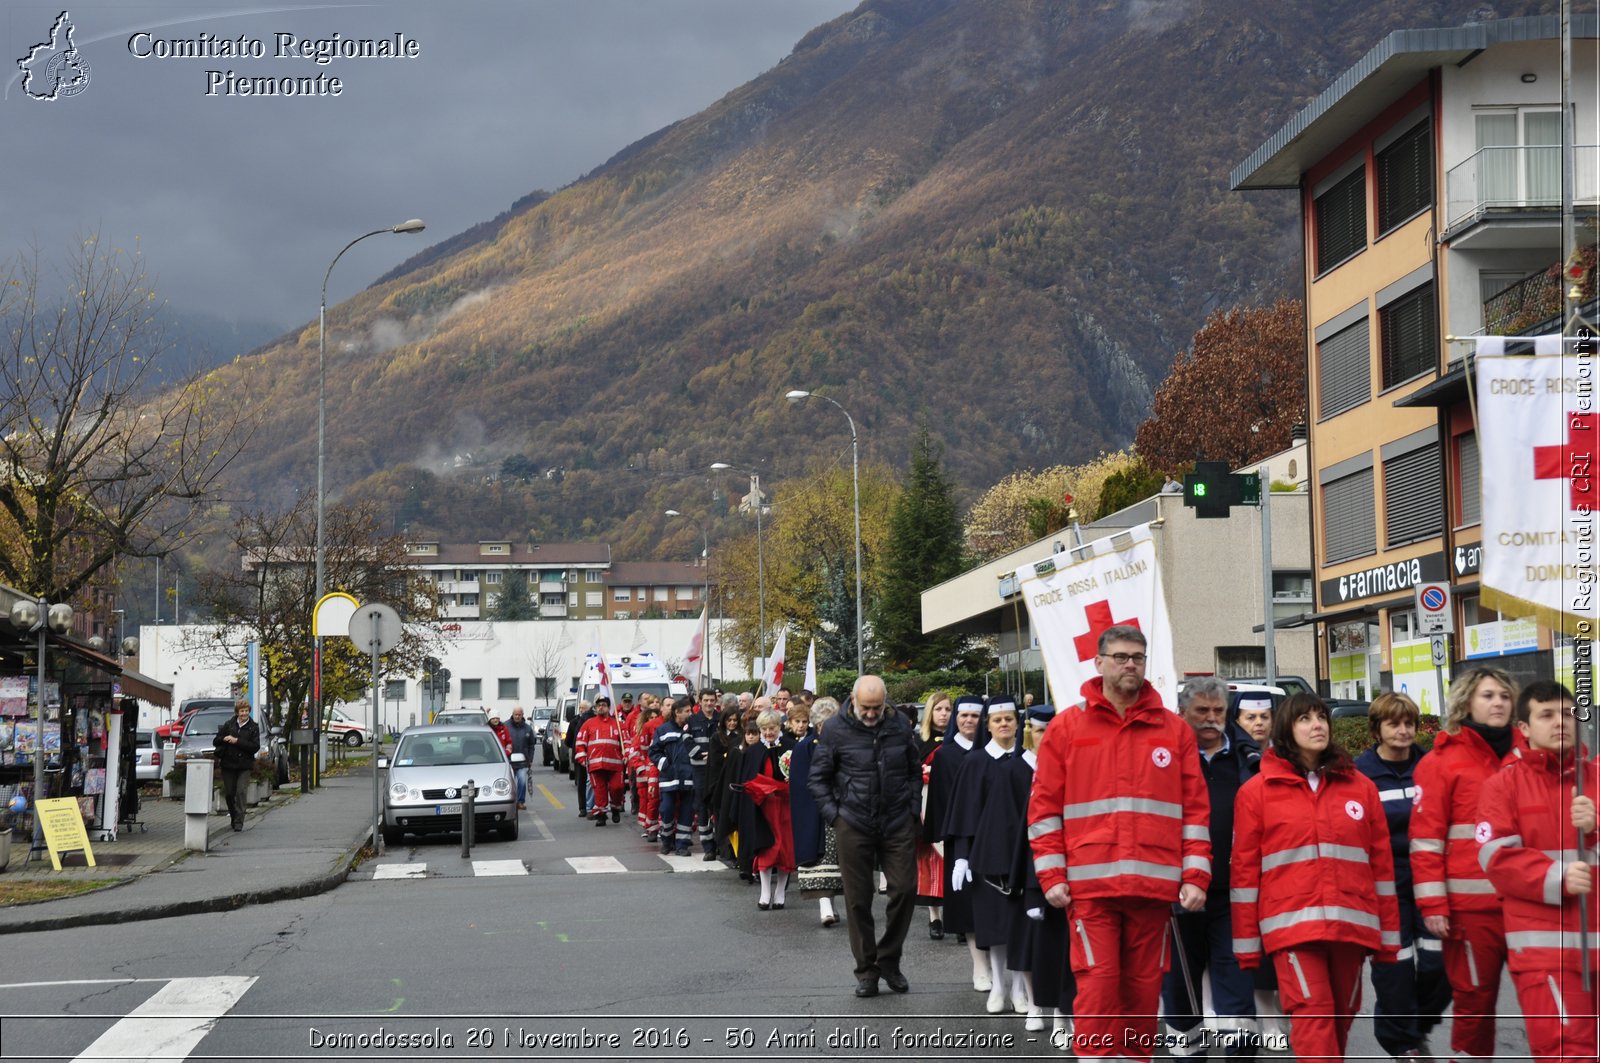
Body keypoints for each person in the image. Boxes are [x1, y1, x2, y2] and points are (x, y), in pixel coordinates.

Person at [1027, 625, 1211, 1061]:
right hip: (1090, 891)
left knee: (1143, 992)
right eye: (1121, 656)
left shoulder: (1174, 730)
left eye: (1138, 657)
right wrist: (1051, 874)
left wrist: (1197, 874)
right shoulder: (1068, 728)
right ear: (1099, 663)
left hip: (1153, 889)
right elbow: (1043, 808)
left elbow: (1195, 811)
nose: (1131, 664)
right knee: (1098, 985)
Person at [1232, 693, 1400, 1061]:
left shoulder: (1361, 788)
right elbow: (1244, 874)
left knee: (1339, 1021)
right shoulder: (1256, 793)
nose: (1317, 724)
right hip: (1291, 930)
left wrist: (1388, 940)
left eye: (1321, 717)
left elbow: (1382, 870)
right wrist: (1246, 944)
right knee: (1314, 1018)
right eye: (1305, 718)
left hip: (1352, 929)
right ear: (1287, 730)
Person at [1479, 680, 1600, 1062]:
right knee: (1566, 1052)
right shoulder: (1503, 786)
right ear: (1525, 728)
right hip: (1547, 950)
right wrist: (1559, 879)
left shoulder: (1596, 779)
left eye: (1566, 714)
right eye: (1546, 715)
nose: (1560, 722)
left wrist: (1596, 827)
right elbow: (1495, 857)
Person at [1410, 666, 1522, 1062]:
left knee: (1551, 996)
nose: (1498, 703)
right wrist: (1434, 906)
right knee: (1475, 1000)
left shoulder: (1530, 753)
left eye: (1504, 696)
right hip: (1471, 910)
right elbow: (1425, 841)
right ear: (1466, 703)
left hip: (1532, 902)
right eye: (1488, 695)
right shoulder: (1441, 762)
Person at [1160, 676, 1262, 1058]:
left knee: (1236, 987)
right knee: (1179, 990)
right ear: (1183, 713)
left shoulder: (1248, 758)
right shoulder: (1164, 757)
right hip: (1178, 890)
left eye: (1218, 711)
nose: (1210, 719)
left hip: (1234, 891)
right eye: (1201, 711)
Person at [807, 675, 922, 998]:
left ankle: (889, 960)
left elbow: (914, 771)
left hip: (897, 820)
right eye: (865, 708)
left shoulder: (900, 724)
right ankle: (867, 970)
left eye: (877, 707)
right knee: (858, 899)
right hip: (853, 822)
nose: (871, 714)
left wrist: (913, 807)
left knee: (905, 889)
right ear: (853, 701)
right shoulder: (835, 729)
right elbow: (817, 779)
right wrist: (836, 815)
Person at [1354, 692, 1450, 1060]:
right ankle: (1403, 1044)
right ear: (1377, 729)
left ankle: (1417, 1026)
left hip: (1430, 883)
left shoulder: (1431, 767)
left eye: (1409, 723)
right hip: (1384, 888)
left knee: (1437, 964)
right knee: (1394, 970)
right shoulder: (1360, 774)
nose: (1404, 730)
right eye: (1394, 723)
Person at [946, 696, 1035, 1019]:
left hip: (1024, 860)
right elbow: (964, 814)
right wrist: (961, 857)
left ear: (1017, 723)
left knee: (1021, 928)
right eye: (997, 720)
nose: (1004, 725)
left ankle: (1019, 989)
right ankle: (998, 984)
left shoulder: (1031, 762)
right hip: (988, 860)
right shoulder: (975, 762)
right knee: (994, 928)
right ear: (989, 725)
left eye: (1009, 719)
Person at [929, 695, 989, 989]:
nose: (968, 721)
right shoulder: (945, 755)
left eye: (974, 716)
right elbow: (939, 800)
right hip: (960, 840)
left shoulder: (994, 752)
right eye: (963, 716)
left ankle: (1000, 968)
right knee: (966, 903)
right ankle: (979, 967)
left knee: (994, 903)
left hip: (992, 838)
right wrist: (941, 840)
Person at [733, 709, 797, 908]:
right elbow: (747, 780)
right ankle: (765, 892)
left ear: (780, 727)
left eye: (772, 728)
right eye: (765, 729)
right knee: (766, 848)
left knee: (785, 848)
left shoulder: (791, 747)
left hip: (786, 805)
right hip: (763, 808)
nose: (769, 732)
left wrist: (792, 778)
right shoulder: (753, 751)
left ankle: (780, 893)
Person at [795, 697, 843, 927]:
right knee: (820, 858)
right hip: (815, 810)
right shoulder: (805, 746)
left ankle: (832, 905)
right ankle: (824, 906)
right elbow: (800, 783)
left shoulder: (842, 744)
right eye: (823, 723)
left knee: (836, 859)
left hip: (839, 809)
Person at [916, 691, 953, 941]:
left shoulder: (960, 741)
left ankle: (958, 915)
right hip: (925, 805)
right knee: (930, 862)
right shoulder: (920, 741)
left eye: (947, 709)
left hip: (952, 804)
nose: (943, 714)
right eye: (939, 709)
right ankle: (934, 917)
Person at [649, 697, 696, 855]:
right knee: (666, 809)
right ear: (677, 712)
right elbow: (654, 752)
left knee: (687, 812)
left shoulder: (693, 729)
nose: (691, 713)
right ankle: (667, 839)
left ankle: (682, 844)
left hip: (689, 777)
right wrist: (666, 766)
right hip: (669, 778)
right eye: (687, 711)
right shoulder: (663, 730)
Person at [575, 695, 626, 825]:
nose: (600, 707)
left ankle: (615, 807)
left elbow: (626, 742)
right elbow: (580, 742)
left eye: (603, 705)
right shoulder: (588, 724)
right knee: (599, 789)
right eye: (598, 705)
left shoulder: (618, 725)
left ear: (608, 707)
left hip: (615, 765)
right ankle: (601, 815)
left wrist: (627, 755)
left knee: (617, 788)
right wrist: (582, 757)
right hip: (596, 764)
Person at [213, 699, 260, 832]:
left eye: (246, 711)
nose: (244, 713)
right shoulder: (229, 725)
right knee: (229, 793)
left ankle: (239, 821)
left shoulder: (253, 727)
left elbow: (255, 747)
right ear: (237, 712)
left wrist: (237, 741)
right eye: (241, 711)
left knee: (240, 792)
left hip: (244, 765)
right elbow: (216, 740)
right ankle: (234, 816)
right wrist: (224, 738)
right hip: (228, 764)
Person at [565, 700, 593, 818]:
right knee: (581, 782)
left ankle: (592, 806)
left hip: (591, 756)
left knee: (591, 782)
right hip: (579, 756)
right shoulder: (574, 722)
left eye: (584, 708)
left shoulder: (592, 720)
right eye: (580, 708)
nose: (582, 710)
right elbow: (568, 740)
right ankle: (582, 808)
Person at [505, 708, 537, 810]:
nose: (517, 716)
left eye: (519, 715)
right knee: (509, 783)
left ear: (522, 715)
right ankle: (509, 802)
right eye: (515, 714)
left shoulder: (527, 728)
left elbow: (532, 745)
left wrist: (530, 759)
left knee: (522, 781)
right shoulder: (506, 726)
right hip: (509, 761)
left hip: (523, 762)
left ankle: (520, 802)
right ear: (512, 714)